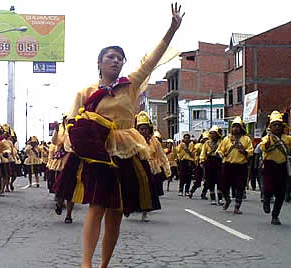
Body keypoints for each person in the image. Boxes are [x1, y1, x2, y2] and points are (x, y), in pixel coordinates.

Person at [54, 3, 183, 267]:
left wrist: (172, 28)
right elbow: (71, 122)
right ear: (99, 62)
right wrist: (75, 145)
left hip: (124, 152)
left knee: (115, 212)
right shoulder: (86, 91)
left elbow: (152, 60)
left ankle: (103, 265)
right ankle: (87, 263)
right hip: (96, 154)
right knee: (96, 206)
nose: (116, 60)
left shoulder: (131, 84)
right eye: (110, 56)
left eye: (120, 57)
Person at [260, 111, 291, 224]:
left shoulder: (287, 138)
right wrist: (267, 145)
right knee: (268, 188)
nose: (277, 127)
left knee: (281, 193)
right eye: (274, 125)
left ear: (282, 127)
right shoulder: (267, 138)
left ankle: (275, 215)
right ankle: (266, 199)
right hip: (269, 166)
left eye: (278, 125)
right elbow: (263, 146)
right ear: (270, 127)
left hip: (282, 167)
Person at [135, 111, 169, 222]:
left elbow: (162, 155)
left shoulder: (155, 141)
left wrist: (167, 169)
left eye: (145, 128)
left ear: (149, 129)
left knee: (149, 189)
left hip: (152, 168)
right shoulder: (134, 140)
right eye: (141, 129)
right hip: (138, 167)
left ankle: (145, 212)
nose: (143, 131)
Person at [216, 117, 253, 214]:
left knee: (240, 186)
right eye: (234, 127)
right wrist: (221, 154)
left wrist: (244, 151)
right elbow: (220, 150)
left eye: (237, 127)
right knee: (224, 185)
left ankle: (237, 206)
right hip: (228, 165)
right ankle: (227, 199)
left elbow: (250, 151)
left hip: (241, 165)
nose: (235, 129)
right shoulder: (227, 139)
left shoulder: (246, 139)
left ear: (241, 128)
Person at [200, 126, 224, 205]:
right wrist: (202, 160)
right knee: (210, 181)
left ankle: (220, 198)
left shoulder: (221, 142)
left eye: (214, 133)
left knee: (220, 180)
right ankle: (213, 198)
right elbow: (203, 152)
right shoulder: (207, 143)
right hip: (209, 162)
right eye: (211, 133)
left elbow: (224, 151)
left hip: (219, 162)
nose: (212, 135)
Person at [189, 132, 208, 199]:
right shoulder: (199, 145)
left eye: (207, 139)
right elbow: (193, 152)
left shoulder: (210, 145)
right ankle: (191, 191)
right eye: (205, 139)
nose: (206, 140)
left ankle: (203, 193)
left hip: (208, 165)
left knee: (207, 181)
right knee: (198, 180)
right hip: (199, 164)